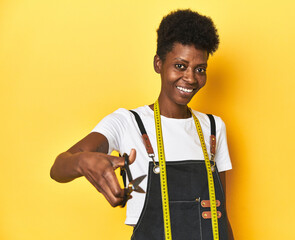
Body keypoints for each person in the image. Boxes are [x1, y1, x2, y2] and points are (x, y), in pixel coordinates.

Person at [50, 9, 233, 239]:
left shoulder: (214, 128)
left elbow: (221, 215)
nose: (190, 78)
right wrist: (80, 161)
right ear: (158, 63)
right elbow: (58, 168)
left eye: (200, 69)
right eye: (180, 65)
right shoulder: (127, 123)